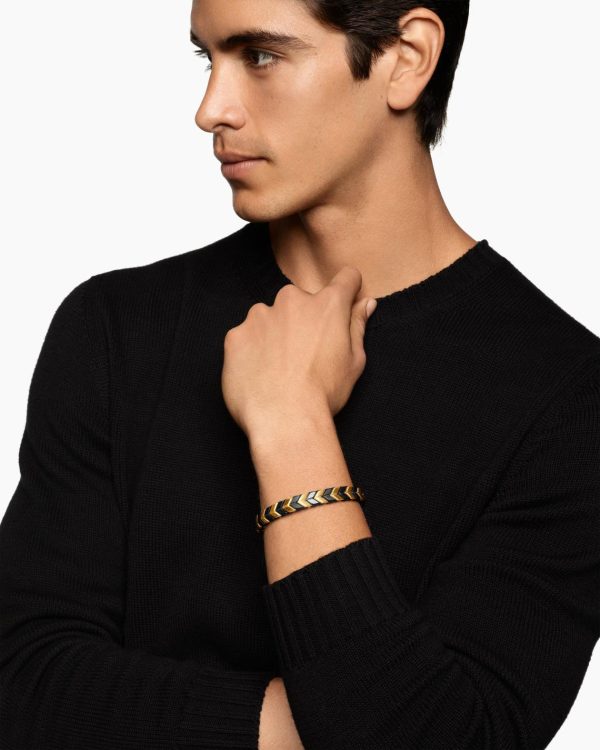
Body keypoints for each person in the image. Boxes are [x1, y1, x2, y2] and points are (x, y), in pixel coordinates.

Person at [1, 1, 599, 748]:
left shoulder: (569, 397)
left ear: (407, 58)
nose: (210, 110)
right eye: (208, 58)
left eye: (260, 56)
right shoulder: (117, 328)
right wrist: (325, 728)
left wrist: (290, 422)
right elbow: (22, 686)